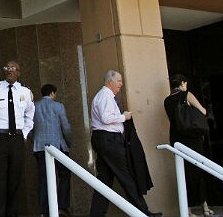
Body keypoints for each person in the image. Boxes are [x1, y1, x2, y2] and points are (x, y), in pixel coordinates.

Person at [89, 70, 161, 217]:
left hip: (105, 140)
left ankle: (96, 214)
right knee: (126, 175)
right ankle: (142, 212)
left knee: (104, 179)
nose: (121, 84)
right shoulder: (105, 96)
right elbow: (105, 118)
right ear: (110, 82)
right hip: (109, 140)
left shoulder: (105, 96)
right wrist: (124, 117)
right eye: (119, 81)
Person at [0, 60, 35, 217]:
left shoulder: (25, 92)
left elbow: (30, 115)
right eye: (7, 68)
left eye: (13, 68)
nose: (9, 70)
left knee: (15, 179)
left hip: (17, 139)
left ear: (18, 72)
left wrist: (24, 134)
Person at [164, 73, 212, 217]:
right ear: (183, 83)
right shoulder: (186, 95)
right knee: (198, 171)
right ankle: (204, 207)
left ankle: (188, 210)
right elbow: (203, 111)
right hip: (192, 138)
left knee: (183, 173)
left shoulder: (167, 101)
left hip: (177, 138)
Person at [32, 84, 72, 217]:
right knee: (64, 175)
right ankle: (62, 207)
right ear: (52, 93)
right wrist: (69, 142)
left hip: (39, 147)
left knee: (44, 178)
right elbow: (66, 127)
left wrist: (35, 139)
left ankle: (43, 211)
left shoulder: (34, 107)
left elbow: (30, 128)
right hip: (58, 146)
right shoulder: (58, 106)